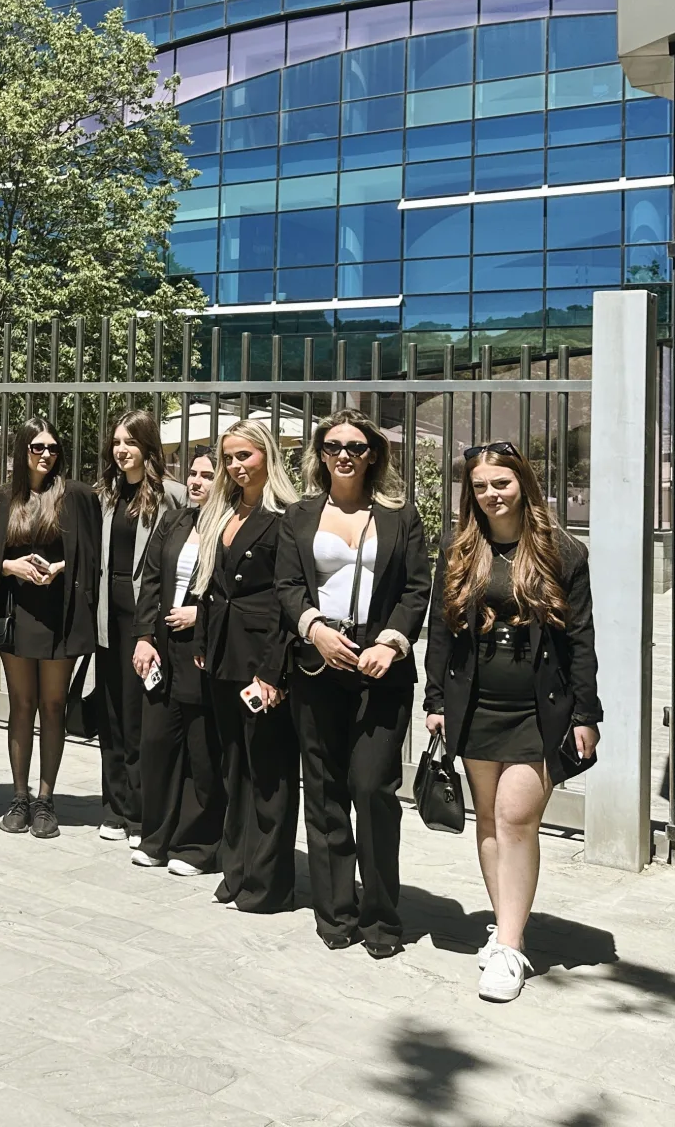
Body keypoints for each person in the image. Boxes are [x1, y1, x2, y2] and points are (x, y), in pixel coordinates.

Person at [425, 442, 600, 1002]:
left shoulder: (561, 551)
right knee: (488, 820)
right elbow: (441, 633)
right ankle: (508, 928)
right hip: (475, 706)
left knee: (515, 815)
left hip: (538, 710)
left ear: (522, 482)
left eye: (500, 482)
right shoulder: (458, 549)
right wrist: (434, 700)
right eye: (479, 486)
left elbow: (580, 640)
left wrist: (587, 713)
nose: (491, 494)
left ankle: (507, 946)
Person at [276, 409, 432, 958]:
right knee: (323, 792)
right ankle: (335, 913)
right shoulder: (298, 515)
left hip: (379, 664)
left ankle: (382, 918)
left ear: (373, 455)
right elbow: (287, 585)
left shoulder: (400, 515)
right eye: (333, 446)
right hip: (318, 661)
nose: (344, 455)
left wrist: (392, 642)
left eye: (356, 447)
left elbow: (417, 587)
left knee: (372, 789)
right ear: (320, 453)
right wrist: (314, 630)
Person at [0, 418, 100, 841]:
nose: (46, 454)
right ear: (22, 450)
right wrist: (11, 566)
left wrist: (60, 567)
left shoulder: (76, 495)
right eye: (37, 447)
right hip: (18, 613)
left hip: (60, 613)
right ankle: (19, 797)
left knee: (54, 705)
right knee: (22, 705)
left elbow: (93, 555)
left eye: (53, 448)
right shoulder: (3, 497)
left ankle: (46, 800)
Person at [200, 420, 303, 915]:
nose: (236, 465)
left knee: (269, 771)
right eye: (229, 458)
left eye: (245, 455)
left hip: (264, 657)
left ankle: (268, 882)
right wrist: (206, 640)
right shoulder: (223, 510)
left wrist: (273, 671)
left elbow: (289, 600)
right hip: (224, 654)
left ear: (267, 455)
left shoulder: (287, 516)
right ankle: (236, 869)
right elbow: (212, 586)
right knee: (234, 766)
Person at [94, 411, 185, 843]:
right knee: (110, 714)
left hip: (145, 618)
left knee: (139, 717)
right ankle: (113, 808)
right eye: (116, 442)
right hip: (105, 617)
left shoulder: (172, 496)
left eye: (130, 442)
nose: (121, 450)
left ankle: (140, 813)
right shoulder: (106, 494)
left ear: (148, 446)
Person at [129, 447, 221, 875]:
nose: (196, 481)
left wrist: (202, 614)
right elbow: (150, 579)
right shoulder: (175, 520)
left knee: (202, 752)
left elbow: (240, 594)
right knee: (157, 744)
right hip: (162, 649)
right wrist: (144, 637)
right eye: (193, 473)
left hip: (203, 650)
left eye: (207, 474)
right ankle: (156, 838)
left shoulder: (230, 526)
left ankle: (197, 846)